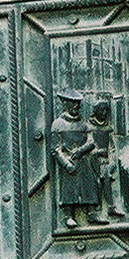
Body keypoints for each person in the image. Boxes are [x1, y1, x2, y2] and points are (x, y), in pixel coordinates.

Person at [50, 92, 101, 227]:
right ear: (66, 105)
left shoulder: (83, 124)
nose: (76, 107)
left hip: (84, 160)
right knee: (69, 187)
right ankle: (68, 216)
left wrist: (81, 150)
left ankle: (91, 213)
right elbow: (55, 149)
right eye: (73, 104)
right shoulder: (58, 124)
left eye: (77, 104)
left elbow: (91, 142)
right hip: (69, 162)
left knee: (88, 186)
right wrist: (66, 164)